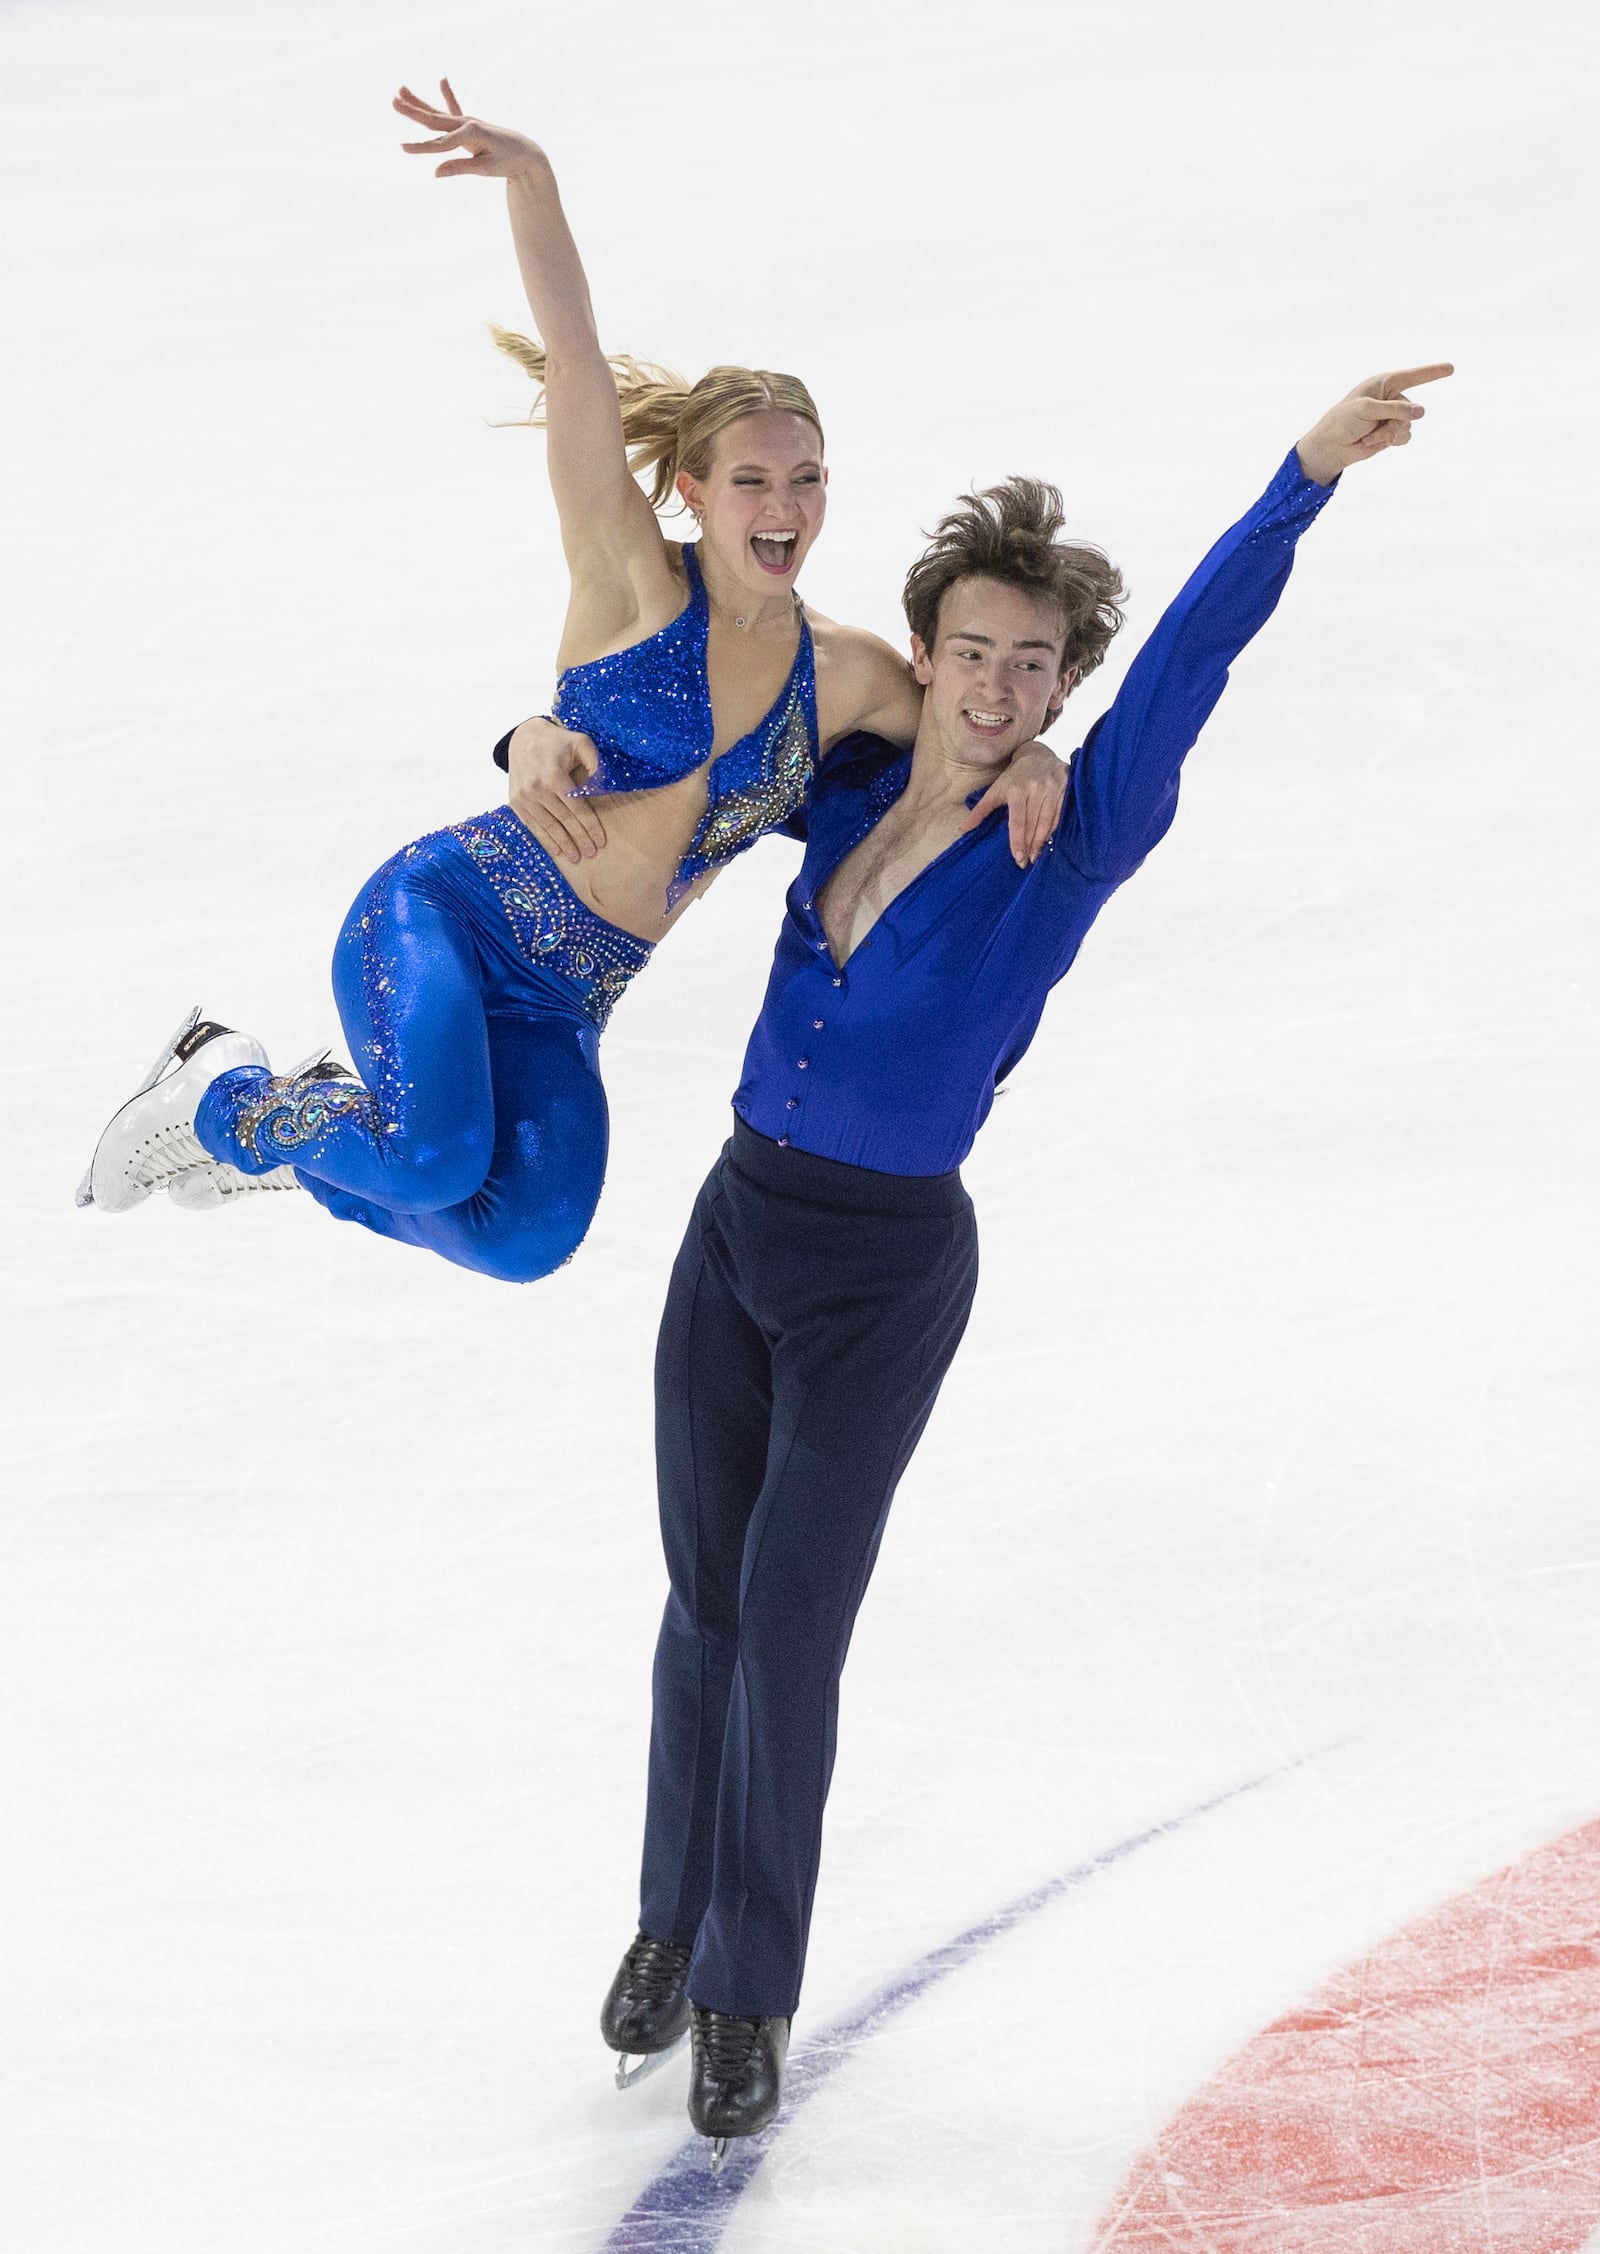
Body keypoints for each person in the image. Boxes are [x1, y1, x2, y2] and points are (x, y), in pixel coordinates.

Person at [579, 365, 1452, 2162]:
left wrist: (1299, 475)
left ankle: (749, 1992)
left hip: (886, 1270)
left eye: (1031, 667)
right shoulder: (848, 774)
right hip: (736, 1221)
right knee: (704, 1611)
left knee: (792, 1634)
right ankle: (668, 1924)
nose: (997, 686)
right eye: (973, 652)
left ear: (1065, 685)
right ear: (932, 650)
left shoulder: (1078, 835)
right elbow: (685, 695)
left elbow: (1200, 658)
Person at [75, 82, 1064, 1279]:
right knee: (437, 1163)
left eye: (805, 477)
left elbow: (974, 730)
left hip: (569, 999)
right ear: (693, 490)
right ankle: (221, 1089)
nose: (785, 505)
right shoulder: (631, 581)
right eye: (752, 479)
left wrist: (1045, 753)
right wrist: (532, 179)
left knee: (530, 1235)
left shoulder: (846, 671)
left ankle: (309, 1143)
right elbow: (579, 358)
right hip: (450, 914)